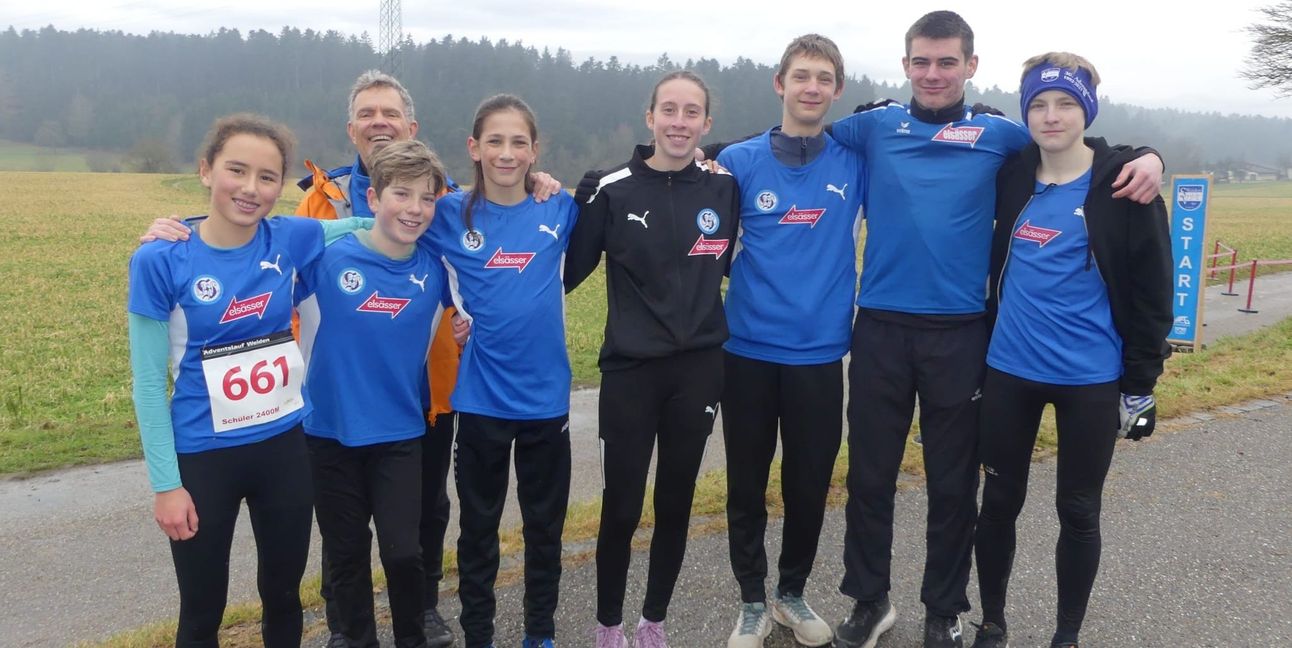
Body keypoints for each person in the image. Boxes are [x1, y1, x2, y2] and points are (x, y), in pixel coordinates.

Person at [821, 12, 1165, 648]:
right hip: (881, 329)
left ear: (971, 67)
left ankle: (944, 609)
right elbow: (798, 131)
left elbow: (1075, 146)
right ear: (904, 66)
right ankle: (869, 602)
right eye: (921, 62)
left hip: (961, 334)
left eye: (947, 62)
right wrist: (700, 155)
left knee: (954, 483)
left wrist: (1148, 157)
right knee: (870, 477)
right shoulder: (871, 125)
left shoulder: (1000, 135)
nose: (933, 73)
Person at [127, 113, 371, 647]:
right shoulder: (158, 259)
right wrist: (166, 486)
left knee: (284, 598)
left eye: (267, 177)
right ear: (205, 171)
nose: (251, 188)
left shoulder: (290, 237)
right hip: (203, 457)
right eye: (236, 170)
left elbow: (366, 224)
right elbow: (147, 385)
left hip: (284, 450)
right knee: (202, 611)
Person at [968, 52, 1172, 648]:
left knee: (1079, 511)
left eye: (1065, 103)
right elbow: (961, 122)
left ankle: (1066, 635)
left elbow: (1154, 295)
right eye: (1037, 104)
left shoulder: (1124, 185)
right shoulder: (1011, 174)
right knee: (998, 502)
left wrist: (1141, 383)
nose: (1050, 116)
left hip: (1090, 378)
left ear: (1086, 110)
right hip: (1009, 371)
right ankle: (993, 621)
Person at [565, 70, 740, 648]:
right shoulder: (611, 188)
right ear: (650, 117)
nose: (680, 122)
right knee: (621, 505)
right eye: (670, 109)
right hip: (631, 371)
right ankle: (608, 624)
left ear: (706, 124)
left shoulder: (723, 188)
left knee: (676, 501)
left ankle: (653, 622)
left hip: (700, 370)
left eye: (692, 113)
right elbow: (564, 274)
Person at [713, 34, 862, 648]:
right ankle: (751, 599)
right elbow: (695, 228)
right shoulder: (739, 162)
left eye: (824, 78)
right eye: (801, 76)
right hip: (746, 350)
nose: (811, 88)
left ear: (836, 90)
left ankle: (791, 593)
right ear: (780, 83)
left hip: (820, 355)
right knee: (746, 482)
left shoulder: (854, 160)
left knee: (808, 483)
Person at [426, 94, 578, 648]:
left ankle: (540, 633)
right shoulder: (446, 214)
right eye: (495, 140)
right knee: (478, 533)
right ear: (474, 147)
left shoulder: (558, 208)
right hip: (480, 401)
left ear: (535, 150)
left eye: (519, 142)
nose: (507, 153)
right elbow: (385, 233)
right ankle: (479, 636)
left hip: (547, 403)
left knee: (544, 531)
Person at [296, 139, 450, 648]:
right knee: (346, 555)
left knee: (405, 552)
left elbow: (493, 270)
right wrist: (178, 232)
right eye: (401, 195)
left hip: (400, 434)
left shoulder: (435, 268)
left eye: (427, 199)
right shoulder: (326, 258)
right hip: (329, 434)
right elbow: (251, 252)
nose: (414, 209)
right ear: (376, 197)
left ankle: (411, 638)